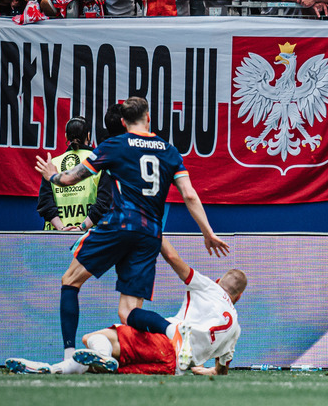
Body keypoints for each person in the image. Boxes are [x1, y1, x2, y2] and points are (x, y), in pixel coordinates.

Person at [30, 96, 230, 376]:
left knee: (70, 281)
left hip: (119, 227)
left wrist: (52, 175)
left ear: (123, 122)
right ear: (149, 118)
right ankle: (173, 329)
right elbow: (189, 194)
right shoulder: (169, 151)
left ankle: (68, 357)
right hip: (151, 235)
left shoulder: (114, 145)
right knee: (128, 313)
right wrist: (207, 233)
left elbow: (70, 179)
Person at [8, 238, 244, 377]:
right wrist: (203, 370)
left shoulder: (208, 286)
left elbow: (173, 258)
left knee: (93, 338)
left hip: (166, 342)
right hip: (173, 368)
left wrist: (154, 227)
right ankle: (56, 369)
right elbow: (221, 369)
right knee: (100, 364)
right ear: (239, 296)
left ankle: (73, 363)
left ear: (218, 281)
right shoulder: (235, 326)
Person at [36, 117, 111, 232]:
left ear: (66, 136)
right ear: (88, 136)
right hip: (89, 237)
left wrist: (62, 229)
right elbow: (104, 203)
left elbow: (45, 204)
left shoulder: (53, 164)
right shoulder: (99, 162)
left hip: (55, 239)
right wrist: (81, 228)